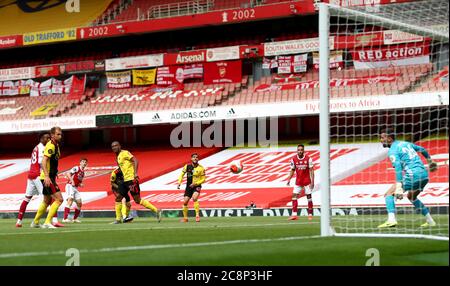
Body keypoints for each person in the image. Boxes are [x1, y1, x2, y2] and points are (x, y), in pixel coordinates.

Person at [378, 129, 438, 228]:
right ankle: (430, 221)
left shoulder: (392, 150)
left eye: (382, 137)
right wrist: (430, 161)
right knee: (412, 197)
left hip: (412, 175)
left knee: (388, 194)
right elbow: (422, 149)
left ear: (389, 138)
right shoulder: (405, 143)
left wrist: (399, 187)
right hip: (424, 175)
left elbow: (398, 169)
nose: (380, 140)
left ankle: (391, 220)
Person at [111, 141, 162, 222]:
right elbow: (122, 168)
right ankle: (118, 220)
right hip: (125, 181)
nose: (114, 147)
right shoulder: (117, 157)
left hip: (131, 179)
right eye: (113, 146)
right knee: (118, 198)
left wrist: (135, 173)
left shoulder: (125, 153)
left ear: (119, 146)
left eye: (116, 145)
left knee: (137, 200)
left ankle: (157, 211)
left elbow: (135, 160)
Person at [32, 126, 65, 229]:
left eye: (60, 134)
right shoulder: (51, 145)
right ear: (52, 135)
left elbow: (52, 161)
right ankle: (47, 222)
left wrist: (55, 172)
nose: (60, 136)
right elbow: (44, 161)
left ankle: (36, 222)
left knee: (46, 201)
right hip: (47, 178)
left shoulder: (56, 145)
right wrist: (47, 176)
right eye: (58, 134)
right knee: (59, 199)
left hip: (50, 176)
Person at [16, 132, 50, 227]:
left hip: (31, 174)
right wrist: (48, 174)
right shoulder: (42, 148)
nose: (48, 140)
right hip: (38, 175)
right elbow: (41, 163)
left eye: (49, 138)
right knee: (48, 197)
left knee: (27, 198)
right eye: (46, 138)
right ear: (41, 139)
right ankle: (51, 221)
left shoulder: (36, 147)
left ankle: (19, 221)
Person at [286, 144, 314, 221]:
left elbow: (311, 170)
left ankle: (310, 214)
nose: (300, 151)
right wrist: (289, 179)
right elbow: (292, 170)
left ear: (303, 150)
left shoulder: (308, 159)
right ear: (297, 151)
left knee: (309, 197)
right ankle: (294, 215)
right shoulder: (294, 159)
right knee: (294, 196)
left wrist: (312, 182)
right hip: (298, 182)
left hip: (307, 182)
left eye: (301, 150)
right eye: (299, 150)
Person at [177, 153, 206, 222]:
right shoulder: (187, 166)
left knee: (194, 198)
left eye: (196, 157)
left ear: (198, 159)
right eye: (194, 157)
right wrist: (179, 183)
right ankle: (185, 218)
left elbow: (203, 179)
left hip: (197, 186)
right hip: (189, 186)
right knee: (185, 202)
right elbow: (181, 175)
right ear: (191, 159)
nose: (195, 158)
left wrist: (196, 183)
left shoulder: (201, 168)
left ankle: (197, 216)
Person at [62, 158, 88, 223]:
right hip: (70, 186)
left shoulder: (83, 173)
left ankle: (75, 219)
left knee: (79, 203)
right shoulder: (76, 168)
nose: (84, 163)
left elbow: (78, 181)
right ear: (80, 163)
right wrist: (72, 181)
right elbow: (68, 174)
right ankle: (65, 218)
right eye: (83, 162)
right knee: (70, 200)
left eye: (85, 162)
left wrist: (80, 184)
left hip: (75, 188)